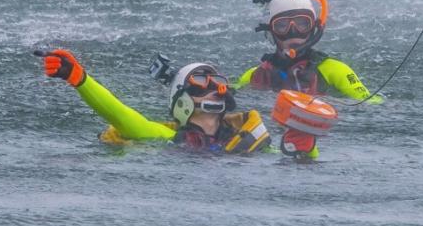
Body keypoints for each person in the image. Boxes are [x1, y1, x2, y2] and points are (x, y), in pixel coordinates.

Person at [37, 49, 271, 154]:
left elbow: (290, 156)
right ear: (182, 101)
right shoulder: (167, 137)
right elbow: (120, 114)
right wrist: (79, 78)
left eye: (217, 82)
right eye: (201, 82)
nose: (214, 89)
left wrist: (304, 147)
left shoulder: (248, 138)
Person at [236, 0, 382, 103]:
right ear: (270, 31)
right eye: (282, 25)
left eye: (302, 23)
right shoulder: (254, 75)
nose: (293, 31)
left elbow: (370, 104)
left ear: (313, 27)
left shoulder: (335, 71)